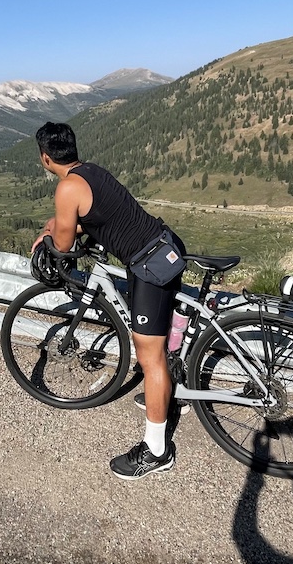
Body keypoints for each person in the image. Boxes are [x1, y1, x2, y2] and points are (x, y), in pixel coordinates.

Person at [31, 121, 186, 480]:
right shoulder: (90, 172)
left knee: (150, 357)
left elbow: (65, 246)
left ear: (44, 157)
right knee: (156, 342)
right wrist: (54, 225)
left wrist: (46, 239)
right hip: (163, 245)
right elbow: (91, 218)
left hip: (150, 265)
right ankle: (166, 387)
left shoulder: (67, 187)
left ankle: (157, 451)